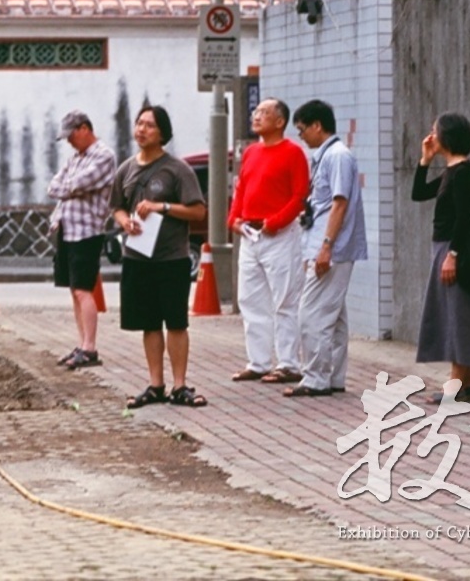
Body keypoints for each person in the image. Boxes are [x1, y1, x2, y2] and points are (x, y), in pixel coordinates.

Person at [110, 106, 210, 408]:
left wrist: (162, 207)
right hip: (137, 258)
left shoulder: (177, 170)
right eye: (139, 123)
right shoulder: (126, 169)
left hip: (172, 258)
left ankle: (180, 386)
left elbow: (198, 211)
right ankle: (156, 385)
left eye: (149, 126)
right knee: (149, 323)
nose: (141, 130)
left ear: (163, 133)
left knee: (176, 322)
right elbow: (116, 206)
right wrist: (124, 221)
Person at [287, 100, 366, 398]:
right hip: (323, 245)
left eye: (302, 129)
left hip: (331, 249)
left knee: (311, 313)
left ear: (318, 126)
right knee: (334, 317)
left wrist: (326, 247)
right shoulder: (327, 156)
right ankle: (333, 376)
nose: (301, 136)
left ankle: (316, 378)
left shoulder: (337, 156)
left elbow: (339, 202)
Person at [228, 98, 310, 385]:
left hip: (280, 234)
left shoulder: (293, 153)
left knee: (285, 299)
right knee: (250, 300)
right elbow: (242, 189)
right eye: (256, 111)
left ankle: (289, 363)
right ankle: (259, 361)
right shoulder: (251, 152)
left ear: (280, 121)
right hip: (250, 235)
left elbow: (299, 196)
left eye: (264, 112)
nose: (256, 116)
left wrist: (275, 221)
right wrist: (234, 218)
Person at [412, 113, 470, 403]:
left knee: (458, 314)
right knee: (457, 312)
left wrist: (452, 255)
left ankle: (457, 383)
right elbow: (418, 193)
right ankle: (468, 383)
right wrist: (425, 159)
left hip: (456, 249)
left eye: (435, 131)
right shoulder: (452, 171)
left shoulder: (464, 172)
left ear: (447, 136)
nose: (431, 135)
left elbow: (466, 218)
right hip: (447, 248)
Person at [48, 110, 118, 369]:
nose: (69, 141)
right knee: (73, 289)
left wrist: (69, 188)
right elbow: (54, 186)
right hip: (67, 227)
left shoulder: (103, 156)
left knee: (83, 288)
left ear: (84, 128)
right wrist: (68, 188)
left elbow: (76, 184)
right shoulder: (75, 158)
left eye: (71, 135)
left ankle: (90, 347)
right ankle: (82, 343)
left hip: (87, 230)